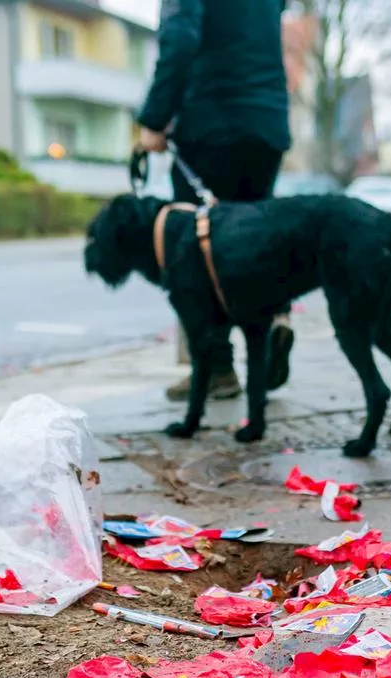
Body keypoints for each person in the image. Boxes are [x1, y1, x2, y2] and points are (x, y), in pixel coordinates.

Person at [137, 0, 294, 402]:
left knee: (199, 251)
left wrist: (154, 119)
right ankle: (276, 315)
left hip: (210, 122)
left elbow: (180, 38)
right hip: (266, 125)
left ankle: (216, 367)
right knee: (255, 236)